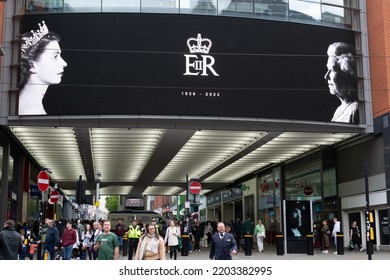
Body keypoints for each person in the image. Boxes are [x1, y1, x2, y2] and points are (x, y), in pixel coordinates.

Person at [19, 20, 67, 115]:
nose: (64, 63)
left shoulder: (33, 105)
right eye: (55, 56)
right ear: (31, 64)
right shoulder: (31, 111)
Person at [324, 42, 358, 124]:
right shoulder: (339, 110)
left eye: (332, 70)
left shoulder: (354, 111)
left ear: (348, 76)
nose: (326, 76)